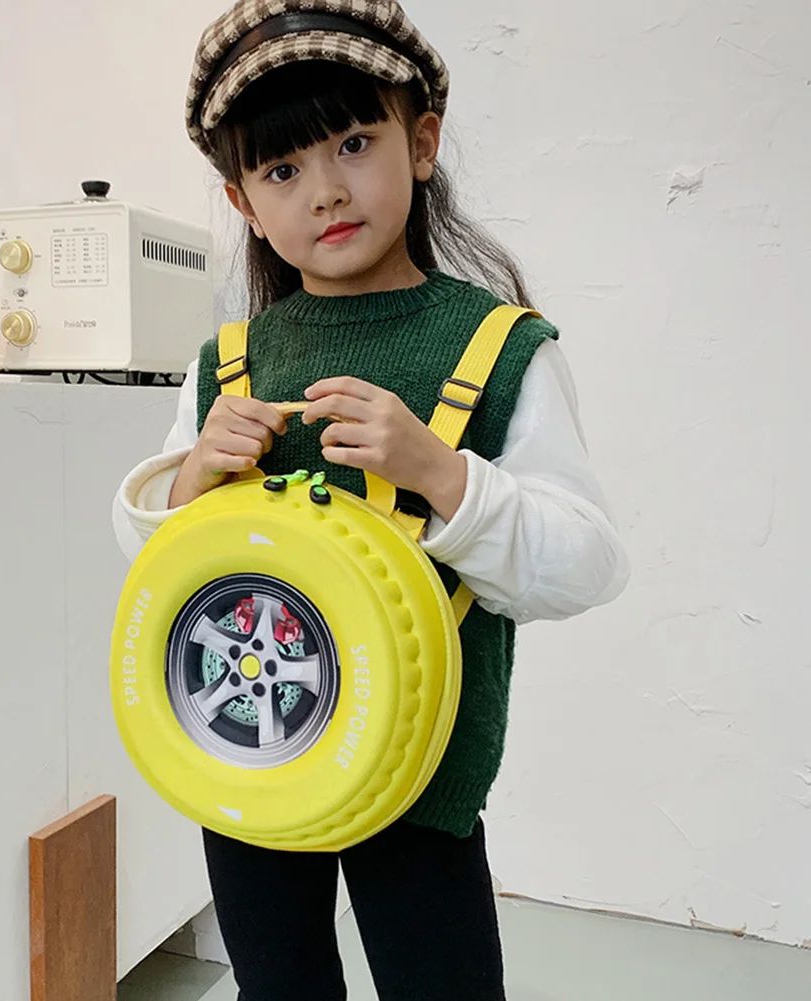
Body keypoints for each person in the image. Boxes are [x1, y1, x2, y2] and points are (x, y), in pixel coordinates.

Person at [112, 2, 630, 998]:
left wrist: (444, 474)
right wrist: (187, 480)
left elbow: (587, 564)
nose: (326, 189)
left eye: (353, 141)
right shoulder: (228, 361)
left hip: (418, 772)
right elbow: (161, 571)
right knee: (275, 981)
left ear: (420, 142)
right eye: (281, 169)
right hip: (250, 747)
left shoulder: (498, 347)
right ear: (243, 201)